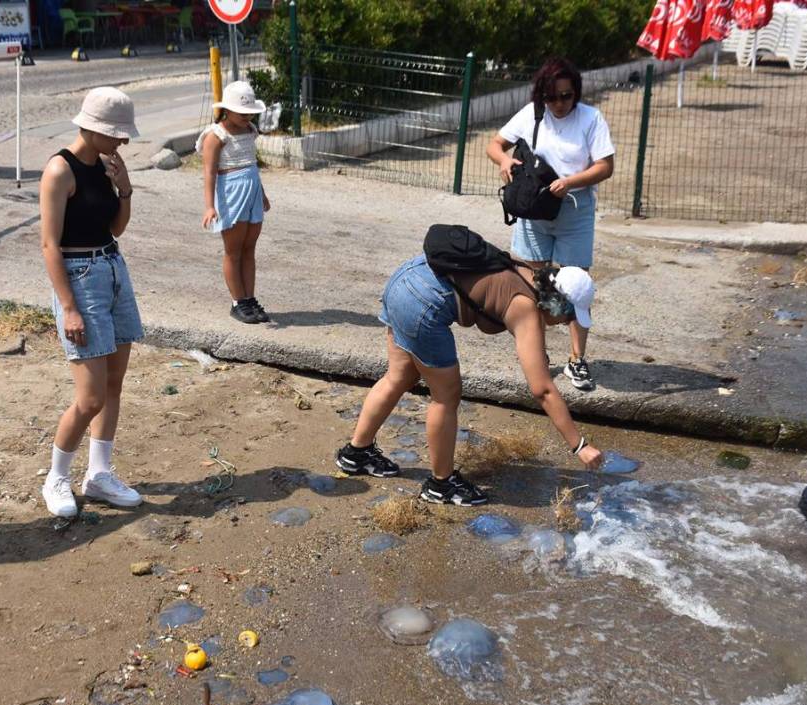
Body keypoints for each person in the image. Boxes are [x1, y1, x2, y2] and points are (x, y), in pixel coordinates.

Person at [335, 226, 604, 506]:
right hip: (424, 302)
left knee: (399, 376)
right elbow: (543, 391)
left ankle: (356, 453)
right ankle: (442, 484)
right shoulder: (526, 307)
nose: (565, 323)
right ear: (557, 303)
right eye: (568, 317)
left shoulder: (529, 274)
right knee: (446, 396)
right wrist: (579, 445)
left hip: (408, 276)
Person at [38, 87, 144, 518]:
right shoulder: (59, 171)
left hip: (113, 270)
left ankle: (98, 474)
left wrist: (125, 190)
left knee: (114, 384)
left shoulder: (106, 166)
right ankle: (56, 477)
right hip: (78, 278)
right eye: (117, 134)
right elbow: (48, 245)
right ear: (94, 128)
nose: (123, 142)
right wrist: (68, 307)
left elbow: (115, 230)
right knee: (90, 397)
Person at [486, 57, 614, 392]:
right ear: (542, 94)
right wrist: (504, 160)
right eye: (551, 97)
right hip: (534, 210)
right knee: (531, 285)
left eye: (566, 96)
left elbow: (605, 166)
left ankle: (577, 359)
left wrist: (571, 182)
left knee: (576, 286)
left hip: (573, 209)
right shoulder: (532, 114)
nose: (559, 104)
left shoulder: (590, 118)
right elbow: (494, 144)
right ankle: (536, 355)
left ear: (576, 93)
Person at [197, 80, 271, 325]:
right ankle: (237, 301)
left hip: (251, 191)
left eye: (250, 112)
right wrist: (210, 205)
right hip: (231, 194)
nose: (247, 116)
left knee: (249, 248)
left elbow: (252, 165)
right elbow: (209, 172)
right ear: (227, 109)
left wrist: (262, 194)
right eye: (242, 112)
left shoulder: (250, 130)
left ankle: (249, 298)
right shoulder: (216, 135)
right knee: (233, 250)